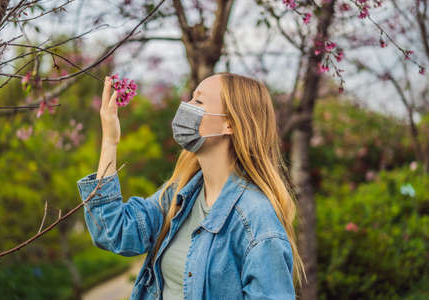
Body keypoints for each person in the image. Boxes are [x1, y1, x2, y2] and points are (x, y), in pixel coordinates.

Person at [76, 72, 306, 300]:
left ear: (229, 124)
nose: (185, 107)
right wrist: (110, 140)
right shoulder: (180, 195)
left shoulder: (257, 220)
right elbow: (113, 232)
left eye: (198, 101)